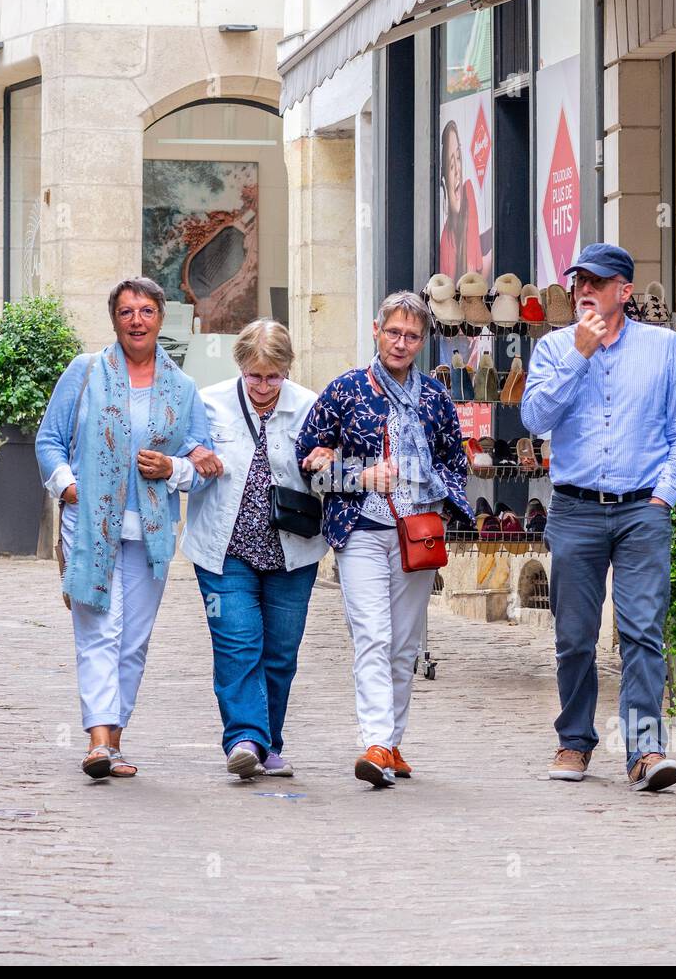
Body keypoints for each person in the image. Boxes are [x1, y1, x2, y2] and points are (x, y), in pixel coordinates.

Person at [521, 243, 676, 792]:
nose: (584, 291)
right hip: (575, 509)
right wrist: (578, 354)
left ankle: (645, 752)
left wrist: (664, 497)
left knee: (642, 631)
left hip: (642, 509)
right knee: (574, 636)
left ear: (624, 291)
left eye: (597, 283)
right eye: (579, 282)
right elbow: (535, 417)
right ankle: (574, 741)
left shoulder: (664, 347)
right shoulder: (554, 348)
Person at [35, 276, 221, 780]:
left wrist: (173, 469)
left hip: (151, 533)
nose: (136, 320)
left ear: (161, 318)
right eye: (125, 312)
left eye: (146, 311)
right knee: (100, 628)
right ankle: (97, 740)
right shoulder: (86, 372)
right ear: (114, 319)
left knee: (133, 639)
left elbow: (203, 466)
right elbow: (49, 440)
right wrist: (68, 486)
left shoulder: (182, 389)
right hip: (91, 525)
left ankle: (115, 743)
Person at [297, 291, 472, 787]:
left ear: (423, 340)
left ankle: (392, 742)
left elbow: (455, 467)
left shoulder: (435, 398)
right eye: (393, 332)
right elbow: (309, 465)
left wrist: (426, 486)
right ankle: (373, 742)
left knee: (404, 644)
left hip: (417, 533)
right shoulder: (347, 390)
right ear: (376, 330)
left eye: (411, 335)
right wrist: (357, 475)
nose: (401, 343)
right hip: (361, 531)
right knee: (372, 635)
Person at [154, 319, 327, 780]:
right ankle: (244, 739)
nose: (265, 386)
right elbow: (185, 469)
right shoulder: (208, 404)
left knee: (281, 653)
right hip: (223, 548)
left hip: (293, 550)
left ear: (288, 370)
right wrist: (188, 463)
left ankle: (269, 743)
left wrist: (326, 464)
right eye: (256, 376)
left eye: (274, 376)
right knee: (237, 644)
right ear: (240, 368)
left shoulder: (311, 407)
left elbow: (331, 476)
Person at [438, 120, 491, 281]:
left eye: (459, 158)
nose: (457, 171)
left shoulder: (467, 193)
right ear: (444, 180)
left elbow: (473, 276)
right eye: (451, 165)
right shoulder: (446, 240)